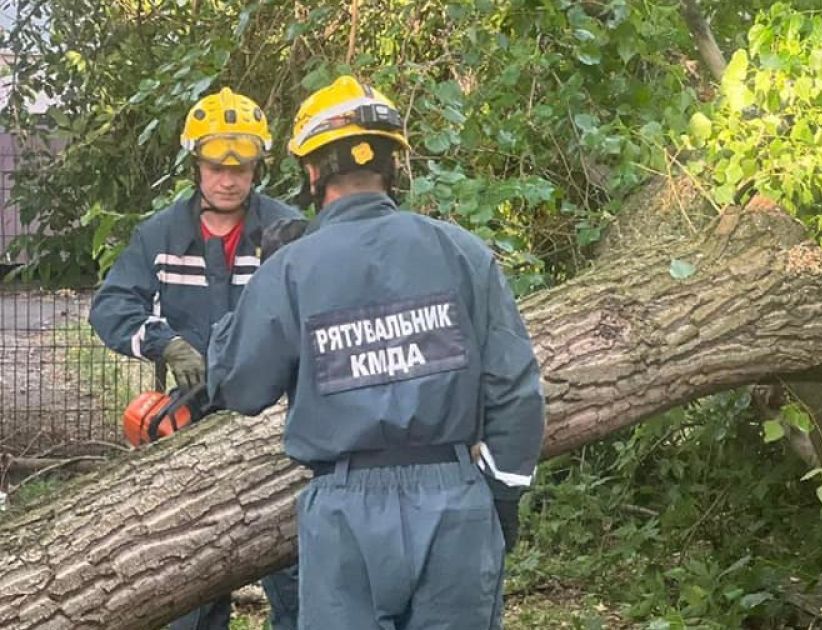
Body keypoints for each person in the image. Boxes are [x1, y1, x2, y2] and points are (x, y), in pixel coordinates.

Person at [205, 75, 546, 629]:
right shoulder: (462, 253)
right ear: (393, 165)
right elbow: (515, 390)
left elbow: (238, 386)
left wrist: (265, 278)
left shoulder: (291, 268)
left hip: (344, 512)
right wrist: (503, 494)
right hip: (454, 502)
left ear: (312, 172)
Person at [88, 87, 303, 629]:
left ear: (257, 168)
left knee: (297, 575)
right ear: (196, 166)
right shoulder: (162, 233)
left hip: (276, 425)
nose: (228, 180)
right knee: (188, 576)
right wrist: (164, 342)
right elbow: (111, 307)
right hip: (190, 428)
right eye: (216, 168)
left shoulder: (288, 230)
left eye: (240, 169)